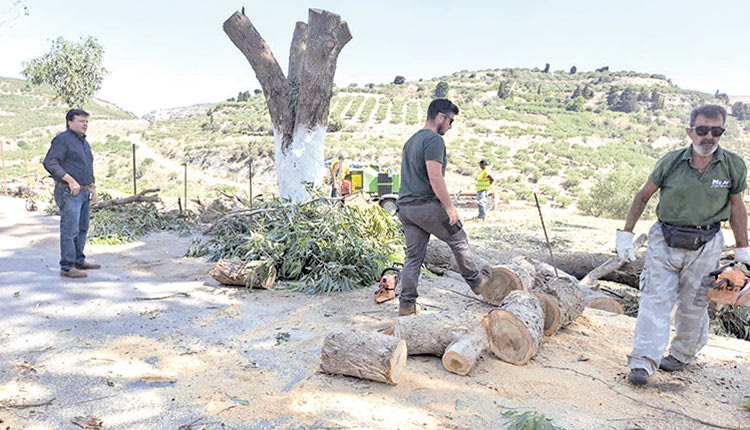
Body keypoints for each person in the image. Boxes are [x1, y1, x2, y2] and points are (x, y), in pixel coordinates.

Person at [617, 105, 750, 386]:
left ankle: (681, 355)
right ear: (691, 131)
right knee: (655, 299)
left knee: (694, 304)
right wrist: (625, 233)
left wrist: (742, 249)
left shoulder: (733, 165)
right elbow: (643, 196)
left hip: (707, 243)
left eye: (716, 131)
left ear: (722, 132)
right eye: (702, 130)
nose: (708, 137)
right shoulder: (671, 161)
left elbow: (737, 206)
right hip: (664, 239)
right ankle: (643, 361)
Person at [396, 98, 493, 316]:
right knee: (458, 239)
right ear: (440, 117)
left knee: (413, 257)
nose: (450, 126)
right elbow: (435, 176)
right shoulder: (433, 140)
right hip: (425, 206)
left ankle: (406, 304)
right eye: (450, 121)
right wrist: (449, 207)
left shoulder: (411, 141)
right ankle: (477, 282)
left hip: (405, 208)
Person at [43, 109, 101, 278]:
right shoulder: (63, 140)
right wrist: (70, 180)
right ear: (70, 122)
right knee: (70, 229)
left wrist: (92, 187)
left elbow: (87, 166)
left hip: (84, 192)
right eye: (81, 121)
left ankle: (78, 261)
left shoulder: (83, 142)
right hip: (69, 192)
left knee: (82, 228)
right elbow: (50, 162)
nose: (85, 124)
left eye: (86, 121)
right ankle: (67, 267)